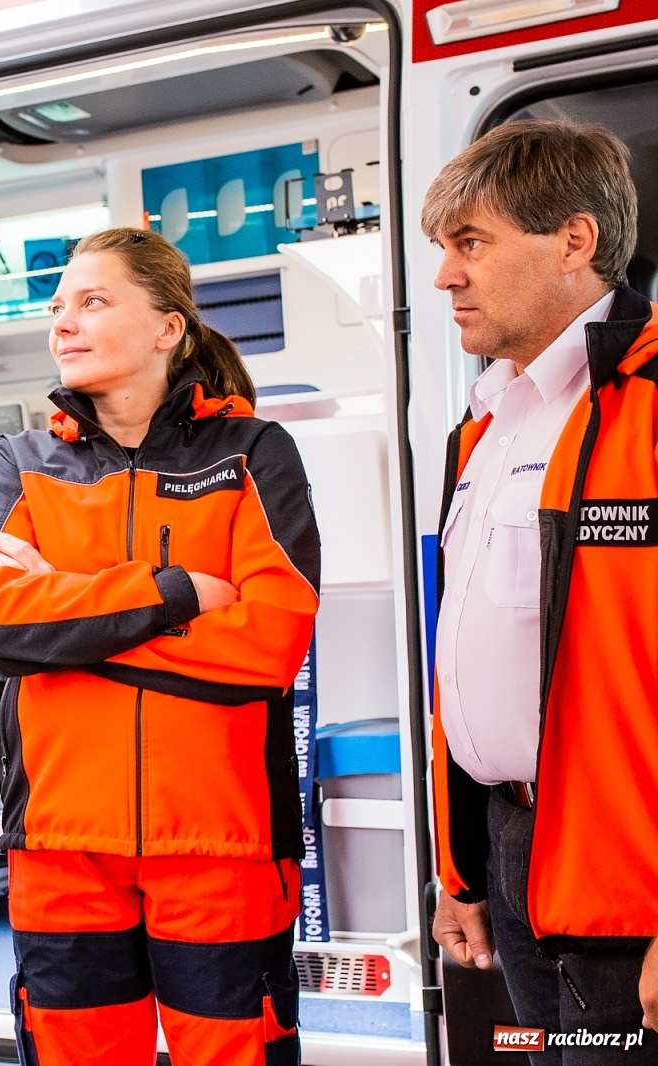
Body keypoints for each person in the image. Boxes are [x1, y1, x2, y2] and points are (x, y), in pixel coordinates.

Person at [0, 227, 321, 1066]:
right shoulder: (19, 464)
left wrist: (63, 622)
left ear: (167, 327)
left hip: (222, 844)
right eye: (57, 307)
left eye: (93, 300)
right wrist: (172, 594)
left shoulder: (254, 456)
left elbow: (269, 642)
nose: (63, 324)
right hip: (60, 842)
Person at [424, 119, 658, 1060]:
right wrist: (463, 871)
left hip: (627, 866)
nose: (445, 275)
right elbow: (470, 653)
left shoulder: (644, 405)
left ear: (573, 240)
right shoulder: (485, 429)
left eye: (470, 243)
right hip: (512, 844)